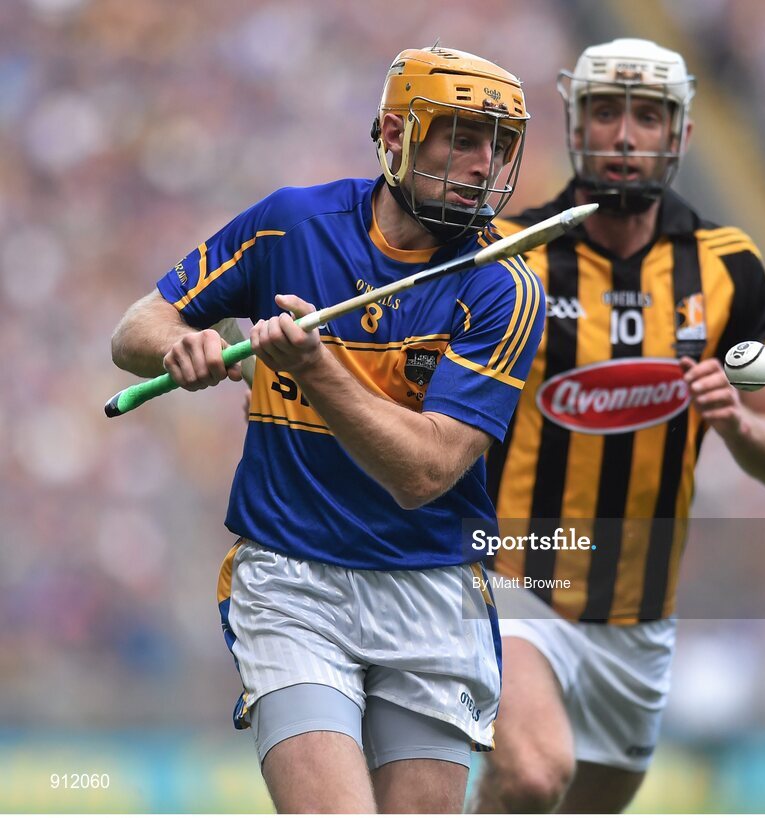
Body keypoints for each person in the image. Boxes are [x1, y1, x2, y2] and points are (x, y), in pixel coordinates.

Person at [110, 44, 542, 814]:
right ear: (393, 135)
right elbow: (137, 327)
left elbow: (425, 473)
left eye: (499, 146)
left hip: (431, 589)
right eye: (461, 137)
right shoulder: (290, 225)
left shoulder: (505, 285)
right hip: (291, 581)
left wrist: (319, 370)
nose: (483, 164)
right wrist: (187, 346)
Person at [471, 38, 765, 813]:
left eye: (648, 116)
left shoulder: (729, 272)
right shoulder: (507, 258)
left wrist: (736, 423)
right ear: (573, 122)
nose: (625, 134)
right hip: (513, 579)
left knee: (587, 803)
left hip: (639, 613)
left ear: (680, 134)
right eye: (605, 111)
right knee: (530, 774)